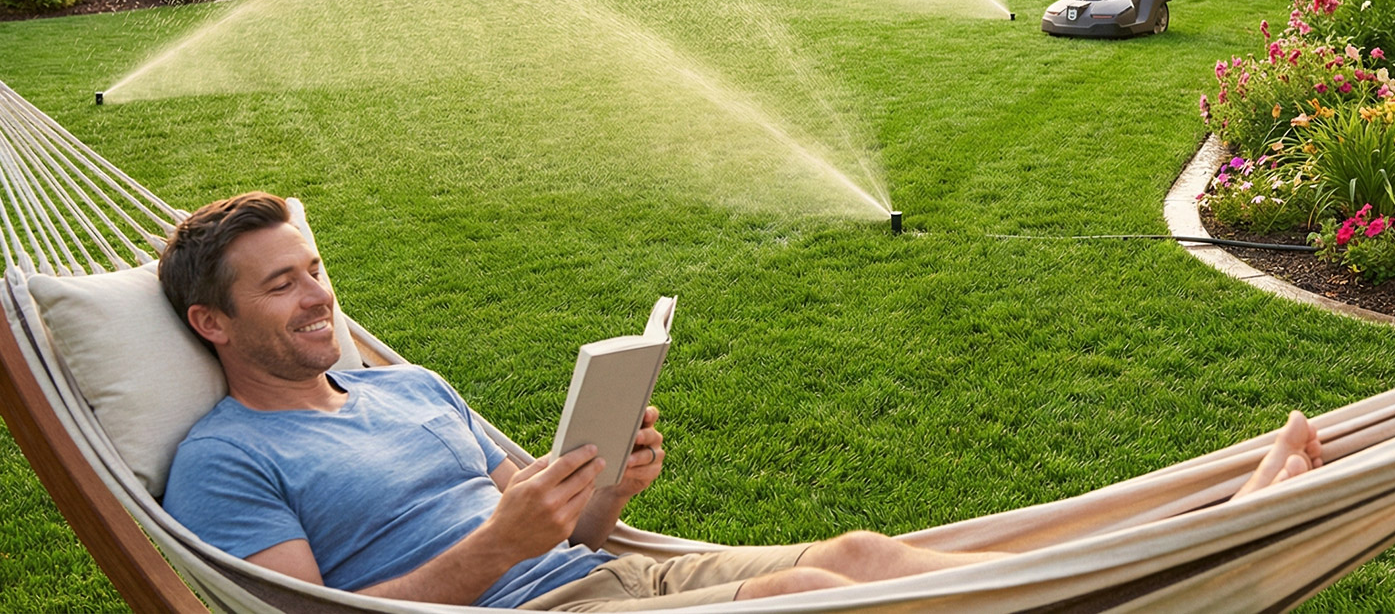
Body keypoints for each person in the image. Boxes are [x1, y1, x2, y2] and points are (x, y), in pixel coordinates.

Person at [159, 192, 1322, 611]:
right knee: (810, 596)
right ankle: (1179, 565)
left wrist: (600, 491)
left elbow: (573, 534)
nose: (317, 298)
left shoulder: (405, 384)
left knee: (860, 555)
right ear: (215, 324)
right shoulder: (226, 459)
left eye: (314, 270)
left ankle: (1178, 546)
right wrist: (493, 550)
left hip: (596, 575)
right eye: (281, 286)